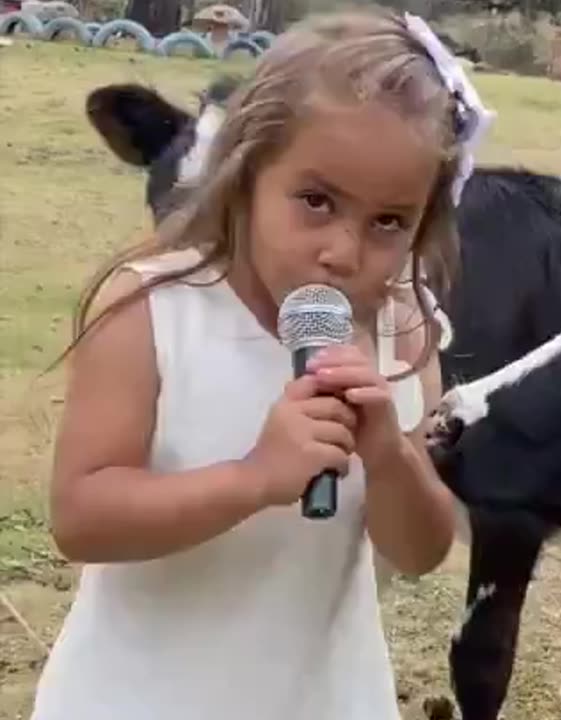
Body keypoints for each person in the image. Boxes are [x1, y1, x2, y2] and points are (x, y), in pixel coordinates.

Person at [30, 7, 494, 719]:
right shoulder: (152, 310)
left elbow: (420, 550)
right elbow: (81, 517)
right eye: (316, 200)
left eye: (389, 222)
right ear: (246, 172)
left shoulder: (404, 330)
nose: (343, 250)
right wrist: (253, 479)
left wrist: (391, 457)